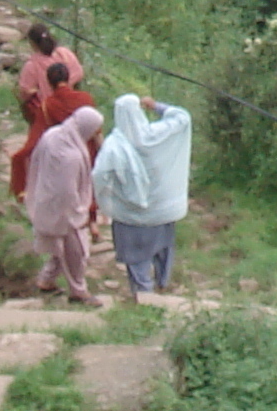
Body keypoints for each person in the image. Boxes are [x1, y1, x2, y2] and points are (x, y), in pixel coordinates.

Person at [92, 93, 193, 299]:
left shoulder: (114, 145)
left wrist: (107, 199)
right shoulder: (160, 134)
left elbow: (100, 174)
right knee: (163, 247)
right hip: (163, 210)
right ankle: (163, 283)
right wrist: (156, 106)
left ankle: (143, 292)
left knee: (136, 257)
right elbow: (182, 118)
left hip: (132, 216)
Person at [25, 103, 104, 304]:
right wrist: (78, 211)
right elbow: (68, 190)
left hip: (45, 199)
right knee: (77, 251)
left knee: (60, 246)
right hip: (65, 208)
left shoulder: (53, 135)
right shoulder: (72, 156)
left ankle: (46, 280)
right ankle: (79, 291)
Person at [10, 54, 97, 200]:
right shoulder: (85, 98)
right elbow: (96, 130)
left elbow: (36, 137)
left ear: (49, 83)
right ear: (69, 78)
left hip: (61, 157)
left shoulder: (47, 105)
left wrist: (19, 158)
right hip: (86, 154)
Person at [16, 24, 62, 117]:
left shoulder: (32, 65)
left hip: (45, 111)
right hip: (65, 105)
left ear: (32, 43)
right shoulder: (62, 55)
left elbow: (25, 91)